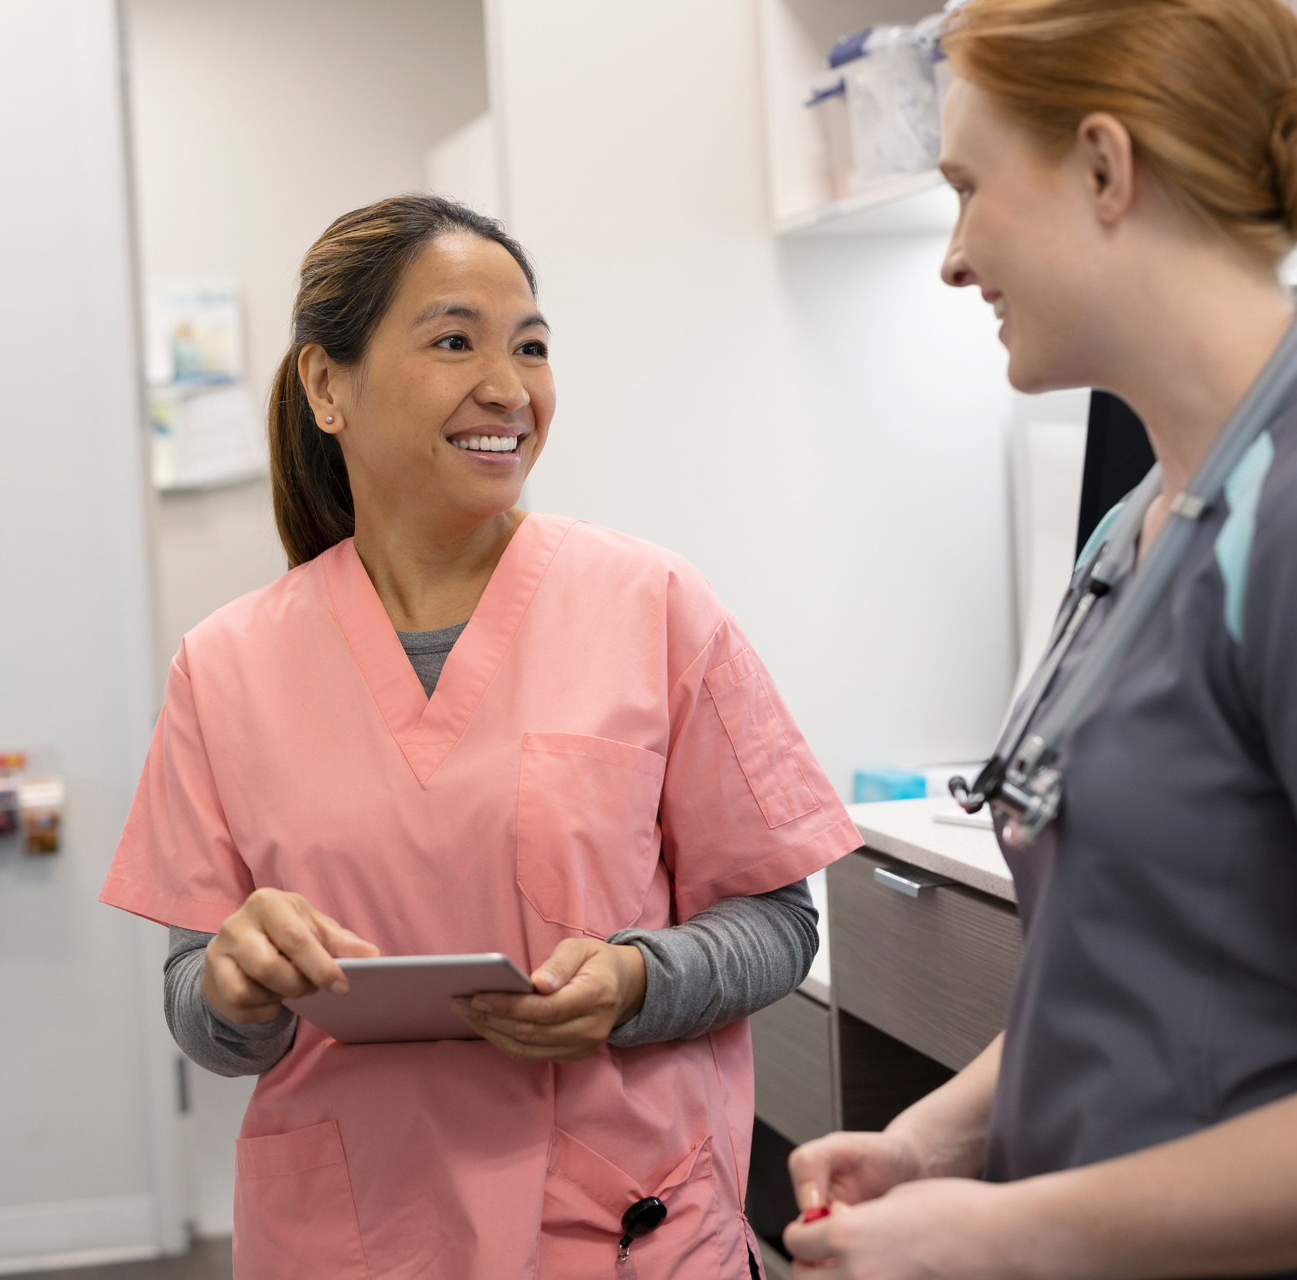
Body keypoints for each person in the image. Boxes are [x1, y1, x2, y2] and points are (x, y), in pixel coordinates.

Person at [783, 0, 1297, 1275]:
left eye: (972, 189)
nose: (955, 255)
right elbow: (1124, 962)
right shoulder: (1142, 521)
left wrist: (1013, 1233)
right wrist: (934, 1143)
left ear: (1104, 166)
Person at [100, 194, 859, 1279]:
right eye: (455, 340)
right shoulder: (224, 667)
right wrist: (234, 981)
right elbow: (204, 1014)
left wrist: (640, 980)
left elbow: (781, 922)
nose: (508, 387)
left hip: (620, 1231)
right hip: (359, 1236)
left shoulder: (652, 605)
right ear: (328, 385)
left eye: (532, 346)